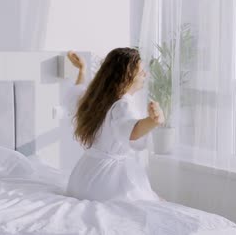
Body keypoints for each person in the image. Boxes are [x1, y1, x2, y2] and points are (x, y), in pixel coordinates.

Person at [66, 48, 164, 201]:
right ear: (127, 76)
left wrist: (82, 70)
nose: (146, 75)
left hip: (81, 179)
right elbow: (131, 131)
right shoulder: (121, 105)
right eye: (141, 72)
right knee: (155, 203)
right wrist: (154, 121)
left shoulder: (95, 100)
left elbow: (76, 94)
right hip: (104, 182)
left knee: (156, 200)